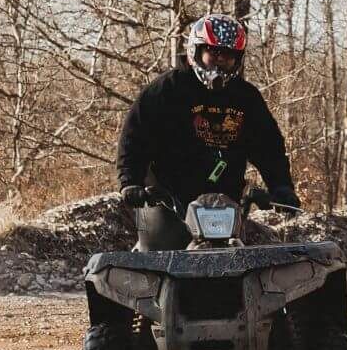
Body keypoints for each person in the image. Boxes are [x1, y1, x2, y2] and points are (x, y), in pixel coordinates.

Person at [117, 13, 299, 215]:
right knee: (157, 243)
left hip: (225, 203)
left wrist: (281, 186)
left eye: (227, 57)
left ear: (237, 60)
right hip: (166, 203)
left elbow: (268, 146)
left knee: (239, 245)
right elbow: (134, 136)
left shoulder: (246, 97)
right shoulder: (166, 90)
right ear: (196, 51)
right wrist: (130, 182)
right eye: (213, 54)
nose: (219, 64)